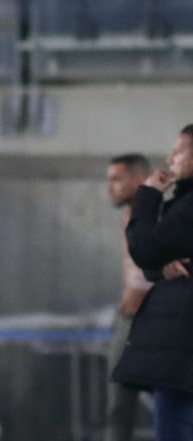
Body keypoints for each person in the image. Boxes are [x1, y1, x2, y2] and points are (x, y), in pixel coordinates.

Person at [113, 124, 193, 441]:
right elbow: (154, 262)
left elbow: (145, 250)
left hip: (181, 351)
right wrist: (161, 268)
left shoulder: (180, 208)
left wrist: (147, 197)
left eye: (179, 151)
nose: (169, 158)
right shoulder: (177, 206)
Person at [103, 154, 152, 441]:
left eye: (116, 180)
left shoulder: (159, 216)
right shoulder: (127, 218)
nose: (110, 187)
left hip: (153, 319)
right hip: (128, 317)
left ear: (137, 181)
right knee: (118, 405)